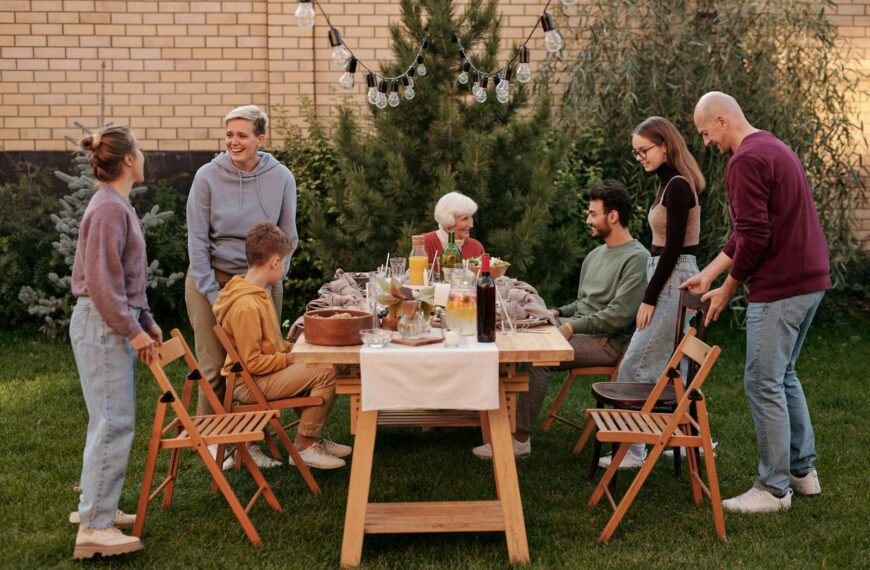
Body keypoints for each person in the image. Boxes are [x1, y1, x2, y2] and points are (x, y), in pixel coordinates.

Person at [684, 92, 831, 513]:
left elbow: (756, 236)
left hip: (781, 287)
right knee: (783, 376)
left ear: (723, 119)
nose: (706, 142)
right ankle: (803, 474)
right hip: (809, 281)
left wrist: (728, 288)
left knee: (762, 382)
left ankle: (773, 488)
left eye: (706, 132)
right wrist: (710, 273)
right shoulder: (774, 146)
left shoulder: (744, 161)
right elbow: (749, 230)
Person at [473, 180, 649, 459]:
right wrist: (556, 313)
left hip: (606, 342)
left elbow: (618, 315)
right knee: (509, 337)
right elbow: (584, 303)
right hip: (581, 329)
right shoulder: (595, 255)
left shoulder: (637, 259)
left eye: (593, 213)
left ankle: (519, 440)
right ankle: (485, 422)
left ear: (612, 216)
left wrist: (569, 327)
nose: (588, 219)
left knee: (537, 358)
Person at [69, 126, 162, 559]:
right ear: (127, 159)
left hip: (110, 319)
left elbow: (126, 279)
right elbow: (104, 286)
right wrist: (134, 331)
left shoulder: (116, 205)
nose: (142, 157)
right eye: (139, 151)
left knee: (106, 417)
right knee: (114, 419)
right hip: (102, 322)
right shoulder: (108, 208)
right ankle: (95, 527)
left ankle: (97, 505)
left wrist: (146, 319)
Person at [601, 116, 705, 470]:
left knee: (636, 360)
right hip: (665, 272)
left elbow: (674, 247)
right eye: (636, 153)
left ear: (665, 145)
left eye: (644, 150)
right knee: (658, 360)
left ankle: (635, 448)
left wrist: (648, 297)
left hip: (674, 276)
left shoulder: (677, 186)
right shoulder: (665, 184)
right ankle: (682, 436)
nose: (640, 157)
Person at [185, 105, 298, 422]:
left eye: (242, 135)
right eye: (229, 135)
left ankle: (254, 441)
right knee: (214, 368)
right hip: (212, 278)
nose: (233, 142)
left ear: (260, 139)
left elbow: (289, 237)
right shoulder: (207, 177)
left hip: (262, 281)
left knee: (262, 361)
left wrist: (274, 277)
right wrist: (212, 293)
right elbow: (196, 240)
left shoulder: (281, 178)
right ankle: (212, 440)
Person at [213, 222, 351, 470]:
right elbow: (252, 363)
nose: (285, 267)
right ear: (275, 262)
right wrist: (292, 359)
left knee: (331, 362)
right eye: (285, 262)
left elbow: (271, 344)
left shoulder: (259, 292)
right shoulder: (245, 305)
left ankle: (314, 437)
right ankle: (305, 446)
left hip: (264, 374)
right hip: (248, 384)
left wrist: (294, 348)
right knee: (325, 371)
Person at [422, 191, 486, 262]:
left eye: (471, 218)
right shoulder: (424, 243)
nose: (471, 225)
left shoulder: (476, 248)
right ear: (448, 220)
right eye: (465, 219)